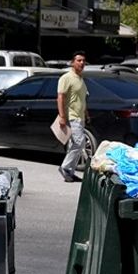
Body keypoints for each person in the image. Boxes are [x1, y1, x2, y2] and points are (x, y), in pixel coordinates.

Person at [56, 51, 89, 182]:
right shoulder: (66, 77)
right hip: (71, 116)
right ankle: (65, 167)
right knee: (80, 143)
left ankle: (70, 171)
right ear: (72, 62)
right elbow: (60, 97)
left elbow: (82, 99)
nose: (82, 63)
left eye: (83, 61)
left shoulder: (81, 79)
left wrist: (86, 113)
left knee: (74, 145)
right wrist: (62, 116)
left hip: (80, 116)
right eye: (79, 60)